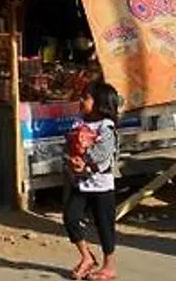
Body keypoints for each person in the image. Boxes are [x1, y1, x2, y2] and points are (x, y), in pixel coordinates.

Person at [65, 82, 121, 281]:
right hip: (80, 183)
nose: (81, 100)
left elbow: (104, 155)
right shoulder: (78, 122)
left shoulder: (106, 127)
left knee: (105, 225)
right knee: (71, 217)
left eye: (86, 97)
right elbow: (69, 144)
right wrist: (71, 160)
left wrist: (86, 164)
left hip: (101, 185)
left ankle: (109, 266)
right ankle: (86, 257)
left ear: (100, 103)